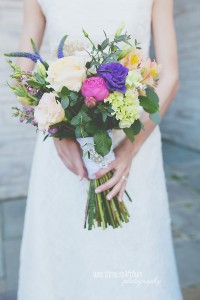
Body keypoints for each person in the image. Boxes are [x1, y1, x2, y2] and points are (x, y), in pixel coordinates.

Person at [17, 0, 183, 299]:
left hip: (136, 141)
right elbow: (22, 75)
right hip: (65, 150)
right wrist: (57, 132)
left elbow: (169, 76)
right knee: (65, 258)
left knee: (135, 255)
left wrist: (131, 148)